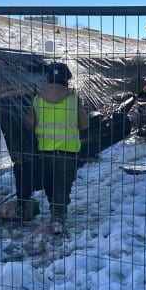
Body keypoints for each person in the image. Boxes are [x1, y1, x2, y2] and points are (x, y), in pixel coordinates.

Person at [25, 62, 88, 234]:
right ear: (66, 80)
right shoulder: (74, 100)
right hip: (68, 152)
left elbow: (29, 123)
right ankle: (58, 217)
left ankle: (56, 211)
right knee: (63, 185)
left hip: (45, 151)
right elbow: (84, 125)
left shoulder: (37, 99)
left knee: (50, 183)